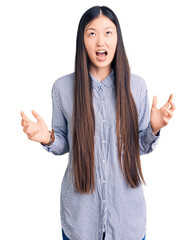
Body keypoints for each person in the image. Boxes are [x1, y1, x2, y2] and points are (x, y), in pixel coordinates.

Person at [20, 5, 175, 240]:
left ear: (117, 39)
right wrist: (48, 137)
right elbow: (63, 143)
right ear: (82, 40)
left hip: (126, 220)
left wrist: (153, 128)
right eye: (92, 33)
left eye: (108, 33)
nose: (100, 41)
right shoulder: (63, 88)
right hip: (81, 217)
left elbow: (140, 147)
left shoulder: (137, 87)